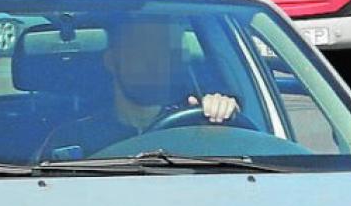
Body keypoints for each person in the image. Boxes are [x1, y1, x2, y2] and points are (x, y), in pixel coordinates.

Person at [41, 20, 241, 160]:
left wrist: (222, 121)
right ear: (112, 61)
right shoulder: (74, 138)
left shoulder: (197, 129)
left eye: (165, 54)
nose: (156, 65)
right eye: (143, 52)